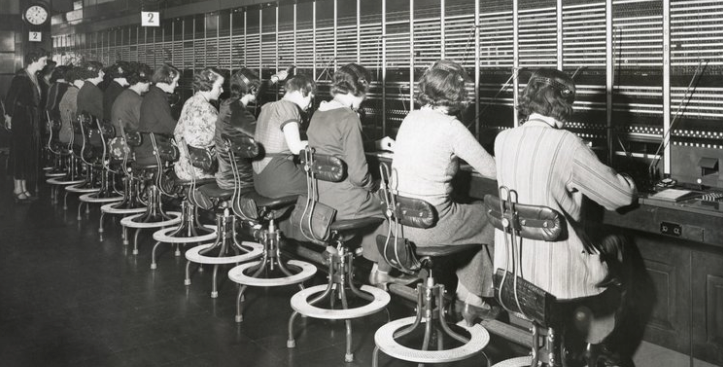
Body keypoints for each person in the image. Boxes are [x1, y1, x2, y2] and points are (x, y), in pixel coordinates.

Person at [391, 59, 497, 322]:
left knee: (473, 220)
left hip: (400, 224)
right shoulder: (451, 127)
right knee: (493, 218)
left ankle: (471, 295)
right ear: (456, 95)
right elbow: (493, 171)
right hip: (431, 224)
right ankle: (479, 298)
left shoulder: (410, 117)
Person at [306, 63, 402, 287]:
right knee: (392, 205)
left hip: (321, 201)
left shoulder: (318, 114)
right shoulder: (349, 117)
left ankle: (364, 256)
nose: (366, 98)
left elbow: (336, 148)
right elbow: (360, 177)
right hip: (345, 205)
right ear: (358, 89)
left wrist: (376, 143)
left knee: (379, 201)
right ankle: (381, 270)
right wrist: (378, 185)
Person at [252, 74, 316, 198]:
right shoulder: (289, 107)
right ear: (303, 91)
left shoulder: (267, 107)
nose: (309, 106)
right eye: (310, 98)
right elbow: (296, 147)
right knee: (324, 186)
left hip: (260, 180)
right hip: (276, 177)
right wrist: (322, 143)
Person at [3, 48, 49, 202]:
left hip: (32, 121)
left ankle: (23, 187)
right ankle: (17, 188)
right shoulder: (21, 78)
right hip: (22, 120)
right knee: (20, 153)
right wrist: (8, 116)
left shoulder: (34, 77)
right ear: (34, 60)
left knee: (27, 154)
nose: (45, 63)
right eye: (44, 60)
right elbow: (10, 99)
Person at [173, 67, 224, 181]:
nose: (222, 91)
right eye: (220, 86)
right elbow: (224, 139)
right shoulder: (208, 109)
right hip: (198, 171)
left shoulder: (189, 101)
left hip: (182, 167)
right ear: (209, 85)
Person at [135, 63, 180, 165]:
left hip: (148, 145)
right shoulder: (157, 97)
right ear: (167, 80)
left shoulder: (154, 94)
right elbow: (170, 126)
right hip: (152, 148)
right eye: (176, 82)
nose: (177, 85)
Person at [109, 62, 151, 159]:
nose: (150, 83)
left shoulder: (124, 94)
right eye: (148, 81)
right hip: (128, 143)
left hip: (117, 140)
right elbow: (145, 125)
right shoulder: (137, 100)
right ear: (141, 82)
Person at [58, 67, 84, 145]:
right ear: (80, 79)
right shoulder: (75, 94)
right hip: (71, 136)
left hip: (65, 132)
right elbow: (79, 116)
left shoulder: (70, 91)